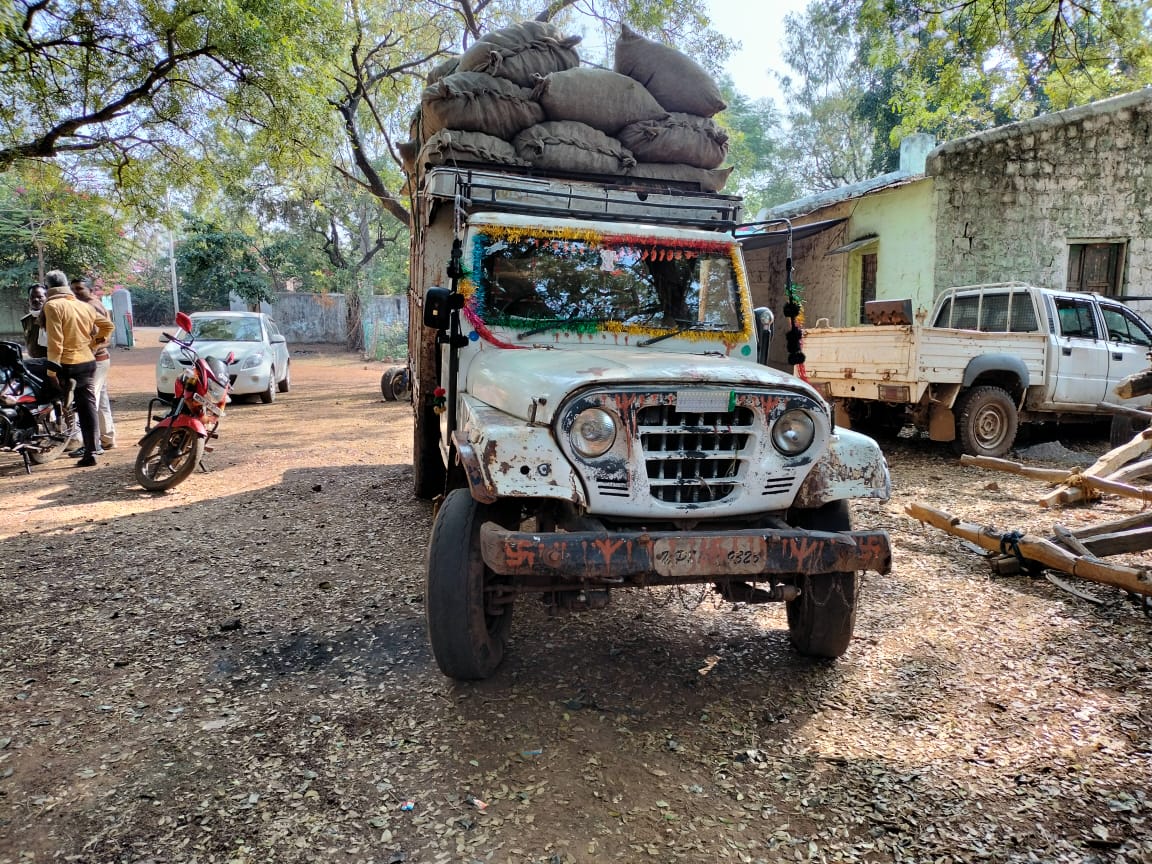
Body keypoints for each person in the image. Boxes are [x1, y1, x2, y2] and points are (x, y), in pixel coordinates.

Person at [39, 270, 114, 467]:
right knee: (88, 406)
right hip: (87, 363)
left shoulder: (53, 306)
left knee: (49, 395)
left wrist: (51, 371)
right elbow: (108, 326)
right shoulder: (83, 306)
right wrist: (93, 344)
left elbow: (56, 342)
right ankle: (91, 450)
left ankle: (49, 440)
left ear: (47, 287)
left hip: (67, 364)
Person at [69, 276, 116, 452]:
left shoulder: (90, 306)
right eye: (72, 289)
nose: (75, 293)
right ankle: (108, 438)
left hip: (95, 360)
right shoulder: (90, 304)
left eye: (79, 289)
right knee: (101, 400)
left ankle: (92, 444)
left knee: (89, 401)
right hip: (99, 359)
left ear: (89, 290)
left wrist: (91, 350)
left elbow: (103, 336)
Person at [20, 283, 47, 359]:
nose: (35, 300)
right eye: (32, 297)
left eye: (40, 297)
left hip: (51, 362)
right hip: (35, 361)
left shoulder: (52, 318)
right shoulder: (26, 320)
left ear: (46, 298)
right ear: (28, 299)